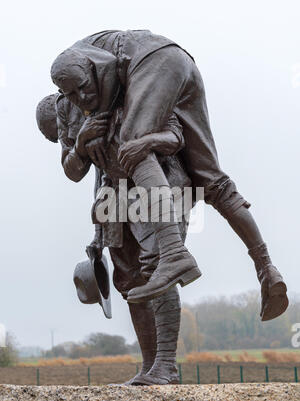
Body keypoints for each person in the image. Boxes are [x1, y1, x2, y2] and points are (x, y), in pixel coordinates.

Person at [50, 29, 288, 321]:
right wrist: (84, 141)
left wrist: (110, 131)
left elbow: (116, 84)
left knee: (132, 142)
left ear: (91, 70)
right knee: (213, 181)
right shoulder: (76, 93)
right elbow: (78, 167)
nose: (80, 99)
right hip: (177, 64)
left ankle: (174, 253)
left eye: (82, 88)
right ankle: (266, 268)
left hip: (156, 61)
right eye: (70, 94)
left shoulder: (101, 63)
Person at [36, 93, 192, 385]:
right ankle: (149, 368)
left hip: (162, 186)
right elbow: (83, 170)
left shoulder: (126, 91)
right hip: (115, 196)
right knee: (129, 280)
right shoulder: (71, 120)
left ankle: (166, 366)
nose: (62, 138)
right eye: (59, 135)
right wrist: (98, 232)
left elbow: (175, 137)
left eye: (59, 134)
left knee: (157, 268)